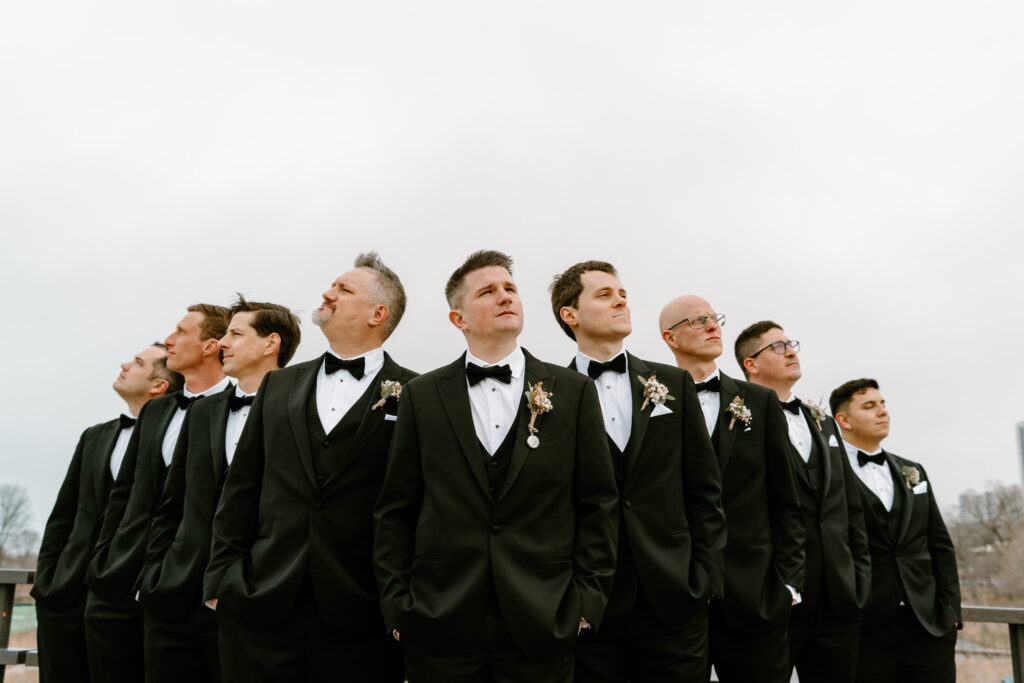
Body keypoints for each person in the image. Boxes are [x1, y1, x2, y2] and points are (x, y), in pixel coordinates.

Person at [374, 250, 619, 683]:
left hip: (546, 620)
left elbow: (598, 501)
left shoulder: (574, 390)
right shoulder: (421, 394)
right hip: (439, 621)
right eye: (488, 292)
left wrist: (585, 603)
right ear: (458, 319)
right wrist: (398, 605)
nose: (505, 297)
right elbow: (397, 507)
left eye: (510, 289)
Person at [205, 254, 414, 683]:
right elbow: (241, 486)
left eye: (343, 288)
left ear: (379, 313)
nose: (327, 293)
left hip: (362, 616)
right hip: (260, 604)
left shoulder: (416, 393)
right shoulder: (278, 385)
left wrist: (400, 601)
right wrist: (221, 580)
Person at [550, 261, 725, 683]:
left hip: (675, 601)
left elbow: (704, 489)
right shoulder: (548, 393)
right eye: (605, 294)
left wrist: (703, 581)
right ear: (570, 315)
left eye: (623, 293)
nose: (621, 300)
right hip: (589, 606)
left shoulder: (673, 383)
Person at [138, 296, 301, 683]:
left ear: (270, 344)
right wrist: (153, 577)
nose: (223, 343)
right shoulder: (203, 413)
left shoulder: (301, 411)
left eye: (235, 333)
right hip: (175, 598)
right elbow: (170, 503)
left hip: (251, 597)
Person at [658, 295, 803, 683]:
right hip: (676, 596)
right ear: (669, 338)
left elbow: (785, 500)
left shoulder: (760, 400)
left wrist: (788, 584)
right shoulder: (652, 402)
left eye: (714, 318)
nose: (712, 326)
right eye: (697, 320)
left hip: (756, 595)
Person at [86, 304, 231, 683]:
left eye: (181, 332)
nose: (169, 340)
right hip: (125, 581)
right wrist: (106, 561)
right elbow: (125, 495)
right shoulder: (156, 412)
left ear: (210, 346)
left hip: (196, 590)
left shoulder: (238, 407)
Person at [32, 343, 181, 683]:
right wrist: (47, 581)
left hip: (127, 596)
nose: (125, 364)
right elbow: (63, 514)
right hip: (65, 593)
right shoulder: (95, 436)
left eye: (139, 362)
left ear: (158, 385)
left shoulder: (179, 437)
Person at [736, 321, 871, 682]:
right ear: (751, 363)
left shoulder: (823, 423)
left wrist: (858, 578)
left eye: (791, 344)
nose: (792, 351)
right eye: (778, 347)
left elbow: (850, 508)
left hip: (838, 600)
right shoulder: (735, 422)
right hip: (773, 596)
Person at [829, 379, 961, 683]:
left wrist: (951, 613)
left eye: (883, 404)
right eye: (869, 406)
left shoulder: (912, 470)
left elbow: (939, 544)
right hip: (866, 629)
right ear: (844, 420)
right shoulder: (829, 473)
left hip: (928, 627)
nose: (882, 412)